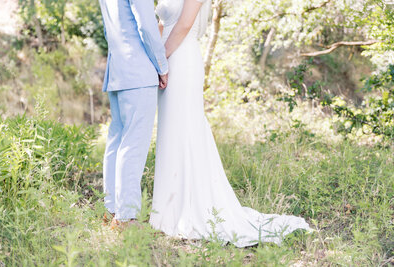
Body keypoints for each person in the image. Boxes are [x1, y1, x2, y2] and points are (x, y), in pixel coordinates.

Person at [149, 0, 311, 247]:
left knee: (186, 130)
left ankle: (190, 209)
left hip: (181, 59)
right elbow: (162, 23)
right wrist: (155, 61)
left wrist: (161, 61)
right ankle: (167, 210)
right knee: (170, 134)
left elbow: (183, 25)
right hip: (165, 59)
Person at [98, 0, 169, 229]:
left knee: (116, 141)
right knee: (133, 144)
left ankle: (111, 209)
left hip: (117, 68)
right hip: (138, 71)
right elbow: (146, 26)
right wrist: (162, 66)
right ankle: (126, 216)